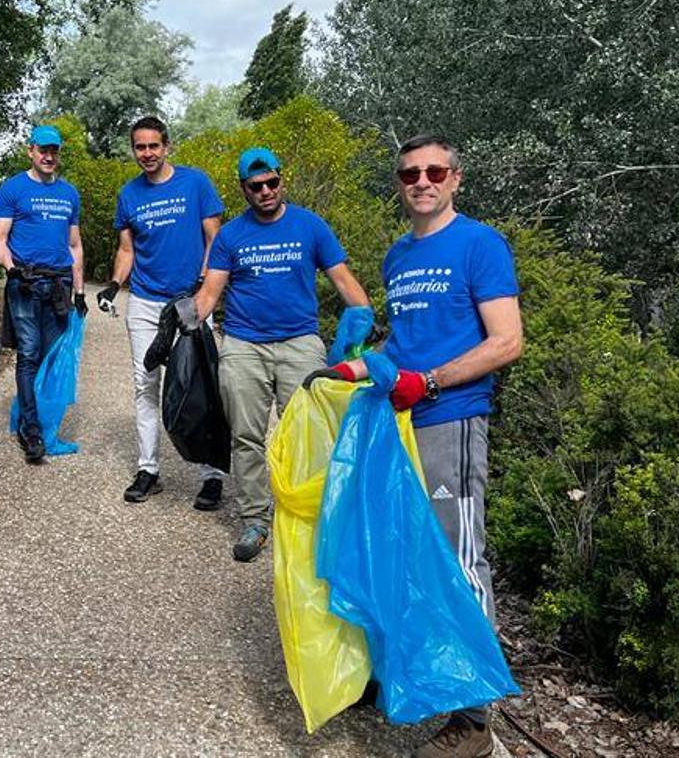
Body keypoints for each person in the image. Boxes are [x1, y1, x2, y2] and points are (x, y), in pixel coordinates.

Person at [325, 135, 522, 757]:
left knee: (459, 557)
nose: (422, 180)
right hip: (401, 421)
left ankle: (474, 717)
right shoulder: (398, 257)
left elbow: (506, 341)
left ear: (455, 178)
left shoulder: (480, 244)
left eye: (434, 170)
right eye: (410, 172)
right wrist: (358, 368)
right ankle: (405, 670)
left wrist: (431, 382)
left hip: (453, 419)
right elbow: (404, 348)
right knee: (400, 548)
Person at [183, 148, 370, 562]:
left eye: (272, 183)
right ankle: (255, 519)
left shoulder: (310, 226)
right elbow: (210, 293)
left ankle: (311, 516)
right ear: (243, 190)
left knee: (308, 433)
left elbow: (343, 280)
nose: (266, 191)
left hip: (300, 343)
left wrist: (362, 325)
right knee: (245, 436)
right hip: (244, 345)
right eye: (256, 186)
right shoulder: (231, 235)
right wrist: (179, 319)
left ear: (281, 180)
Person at [96, 115, 228, 508]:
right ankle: (148, 470)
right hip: (145, 302)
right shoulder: (129, 195)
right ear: (134, 150)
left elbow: (214, 238)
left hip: (191, 301)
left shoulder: (195, 183)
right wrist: (115, 283)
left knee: (200, 385)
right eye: (140, 147)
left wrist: (205, 285)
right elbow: (126, 249)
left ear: (166, 146)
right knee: (145, 383)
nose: (147, 153)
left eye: (154, 145)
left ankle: (211, 475)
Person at [0, 125, 86, 464]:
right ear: (30, 151)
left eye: (54, 150)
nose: (49, 156)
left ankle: (42, 422)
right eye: (43, 150)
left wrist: (79, 291)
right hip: (25, 284)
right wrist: (11, 268)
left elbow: (74, 245)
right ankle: (31, 430)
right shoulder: (13, 189)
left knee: (51, 358)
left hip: (60, 285)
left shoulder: (69, 194)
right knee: (30, 355)